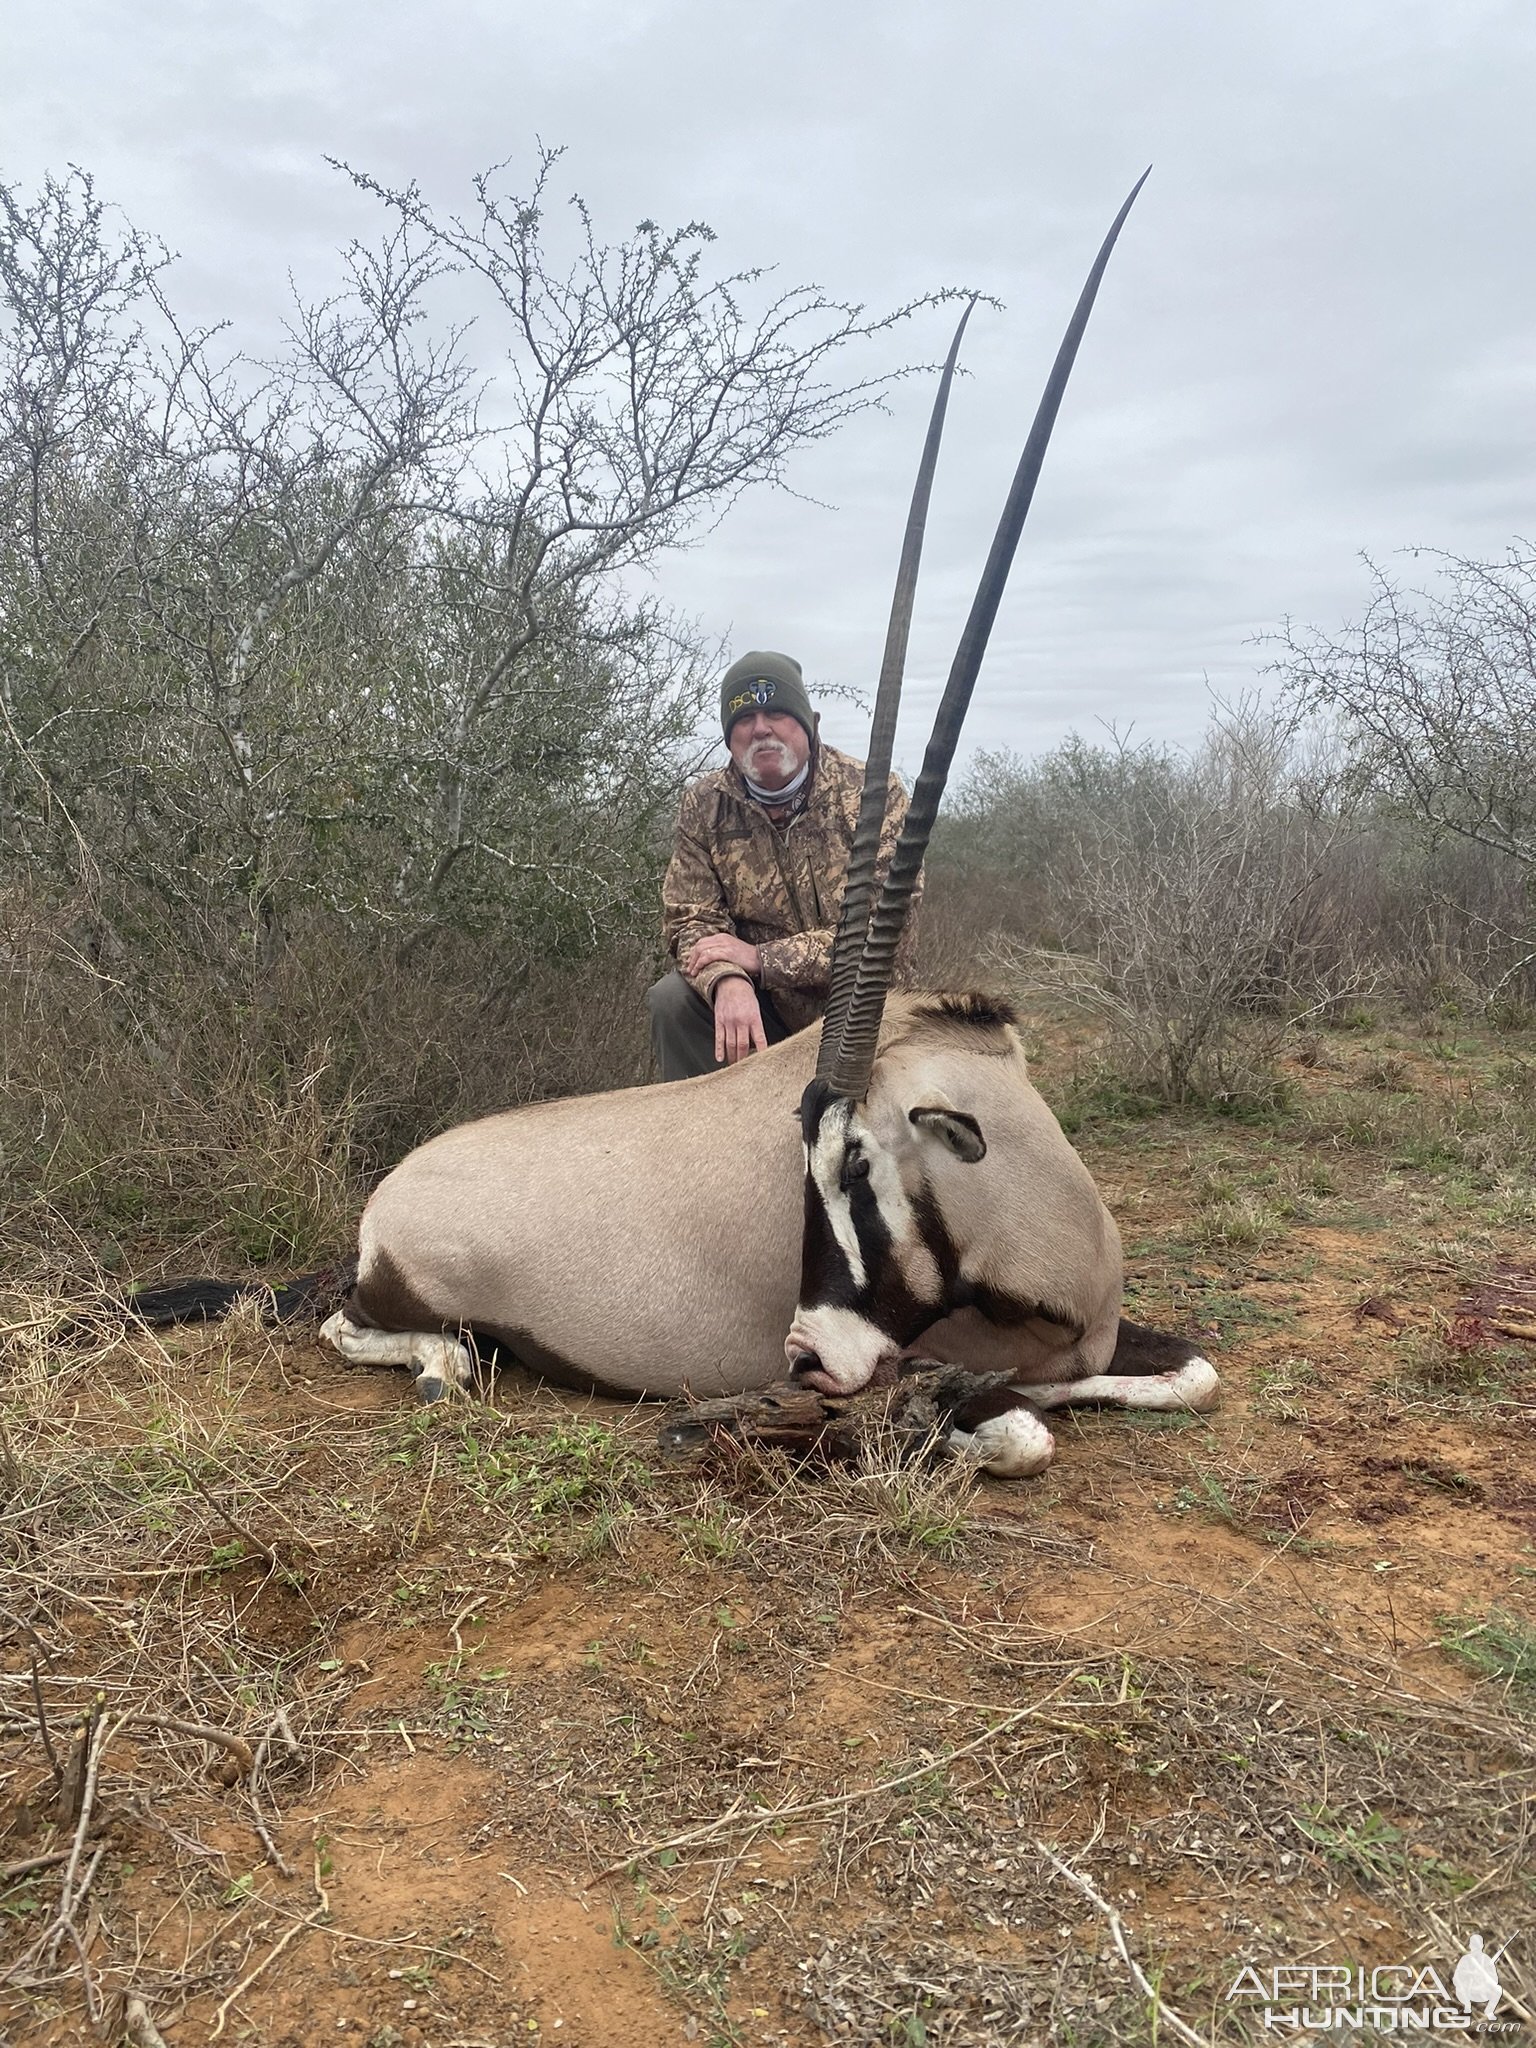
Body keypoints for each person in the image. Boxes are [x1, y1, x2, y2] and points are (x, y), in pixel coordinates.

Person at [648, 649, 917, 1081]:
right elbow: (690, 921)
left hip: (869, 1012)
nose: (761, 728)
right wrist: (727, 979)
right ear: (728, 735)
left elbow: (884, 931)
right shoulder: (704, 804)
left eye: (776, 712)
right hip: (766, 1014)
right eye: (744, 717)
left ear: (809, 723)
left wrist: (760, 959)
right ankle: (715, 1141)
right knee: (673, 1001)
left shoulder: (875, 794)